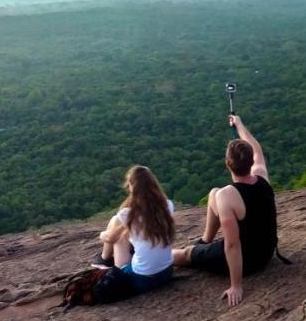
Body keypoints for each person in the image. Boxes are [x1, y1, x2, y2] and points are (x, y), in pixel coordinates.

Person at [172, 114, 278, 307]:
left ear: (228, 164)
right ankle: (205, 240)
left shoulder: (228, 195)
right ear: (250, 162)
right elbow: (257, 149)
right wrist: (239, 124)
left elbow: (232, 245)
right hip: (266, 251)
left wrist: (236, 285)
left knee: (186, 254)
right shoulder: (261, 176)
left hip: (248, 262)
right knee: (213, 193)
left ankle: (145, 257)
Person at [90, 165, 176, 301]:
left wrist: (101, 234)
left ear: (131, 185)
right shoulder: (168, 205)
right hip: (167, 273)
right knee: (122, 227)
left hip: (142, 280)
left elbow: (110, 238)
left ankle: (105, 259)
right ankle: (106, 259)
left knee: (116, 229)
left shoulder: (127, 213)